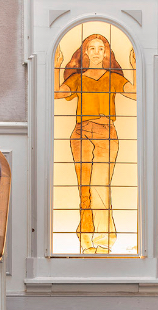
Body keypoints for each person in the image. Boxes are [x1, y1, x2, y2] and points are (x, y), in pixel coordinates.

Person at [54, 32, 136, 253]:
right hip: (81, 133)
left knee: (101, 187)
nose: (97, 52)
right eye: (92, 48)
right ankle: (86, 240)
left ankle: (103, 241)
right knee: (84, 189)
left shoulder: (113, 77)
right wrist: (56, 66)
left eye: (101, 48)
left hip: (106, 133)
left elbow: (137, 93)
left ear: (107, 52)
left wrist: (135, 66)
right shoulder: (78, 78)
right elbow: (57, 93)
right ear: (85, 52)